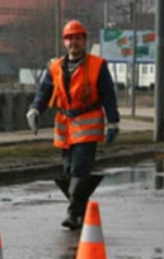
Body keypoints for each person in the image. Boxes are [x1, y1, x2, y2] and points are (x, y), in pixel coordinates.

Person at [26, 19, 120, 230]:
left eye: (77, 38)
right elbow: (44, 91)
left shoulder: (97, 65)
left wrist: (113, 122)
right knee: (68, 171)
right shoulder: (55, 66)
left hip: (88, 124)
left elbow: (108, 95)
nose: (73, 43)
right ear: (64, 42)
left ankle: (72, 214)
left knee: (80, 168)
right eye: (69, 39)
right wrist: (34, 109)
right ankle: (81, 209)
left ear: (85, 41)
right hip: (65, 125)